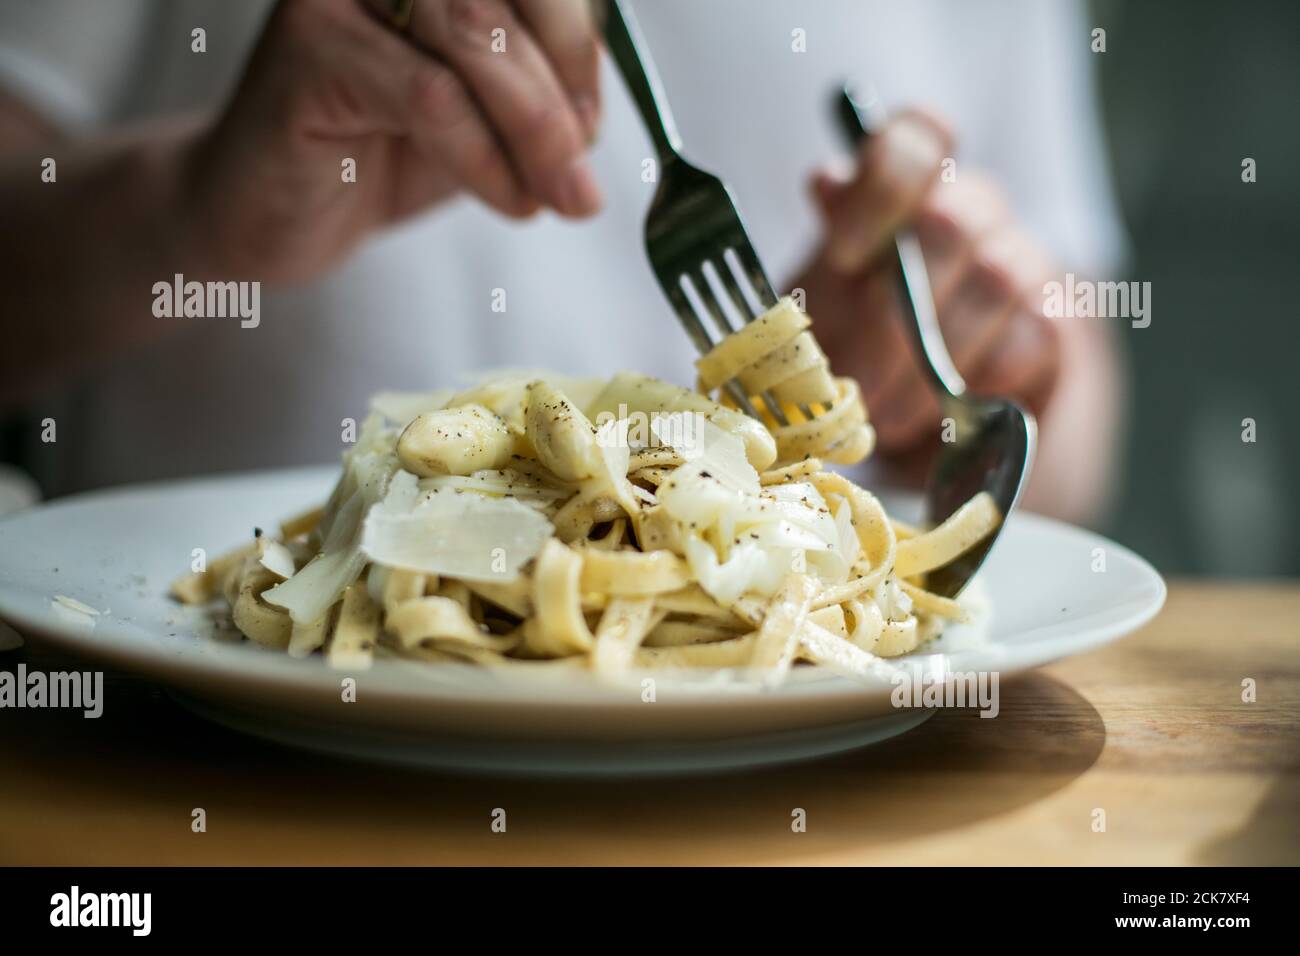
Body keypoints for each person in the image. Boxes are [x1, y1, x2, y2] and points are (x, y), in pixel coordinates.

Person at [0, 0, 1124, 523]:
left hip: (796, 772)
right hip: (199, 759)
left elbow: (1076, 432)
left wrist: (958, 362)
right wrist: (198, 211)